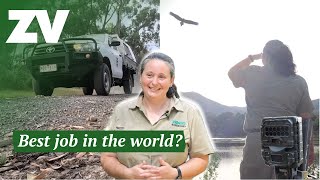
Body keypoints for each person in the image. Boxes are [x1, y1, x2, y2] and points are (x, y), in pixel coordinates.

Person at [101, 52, 214, 179]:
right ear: (140, 77)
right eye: (149, 75)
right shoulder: (121, 111)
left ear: (171, 81)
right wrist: (127, 174)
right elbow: (107, 157)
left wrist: (176, 173)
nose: (154, 82)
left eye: (161, 77)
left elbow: (201, 158)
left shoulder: (189, 112)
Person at [228, 40, 314, 179]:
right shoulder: (299, 82)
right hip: (289, 145)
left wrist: (252, 58)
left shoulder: (253, 73)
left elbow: (232, 73)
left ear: (265, 57)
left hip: (256, 144)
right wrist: (309, 150)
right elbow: (306, 119)